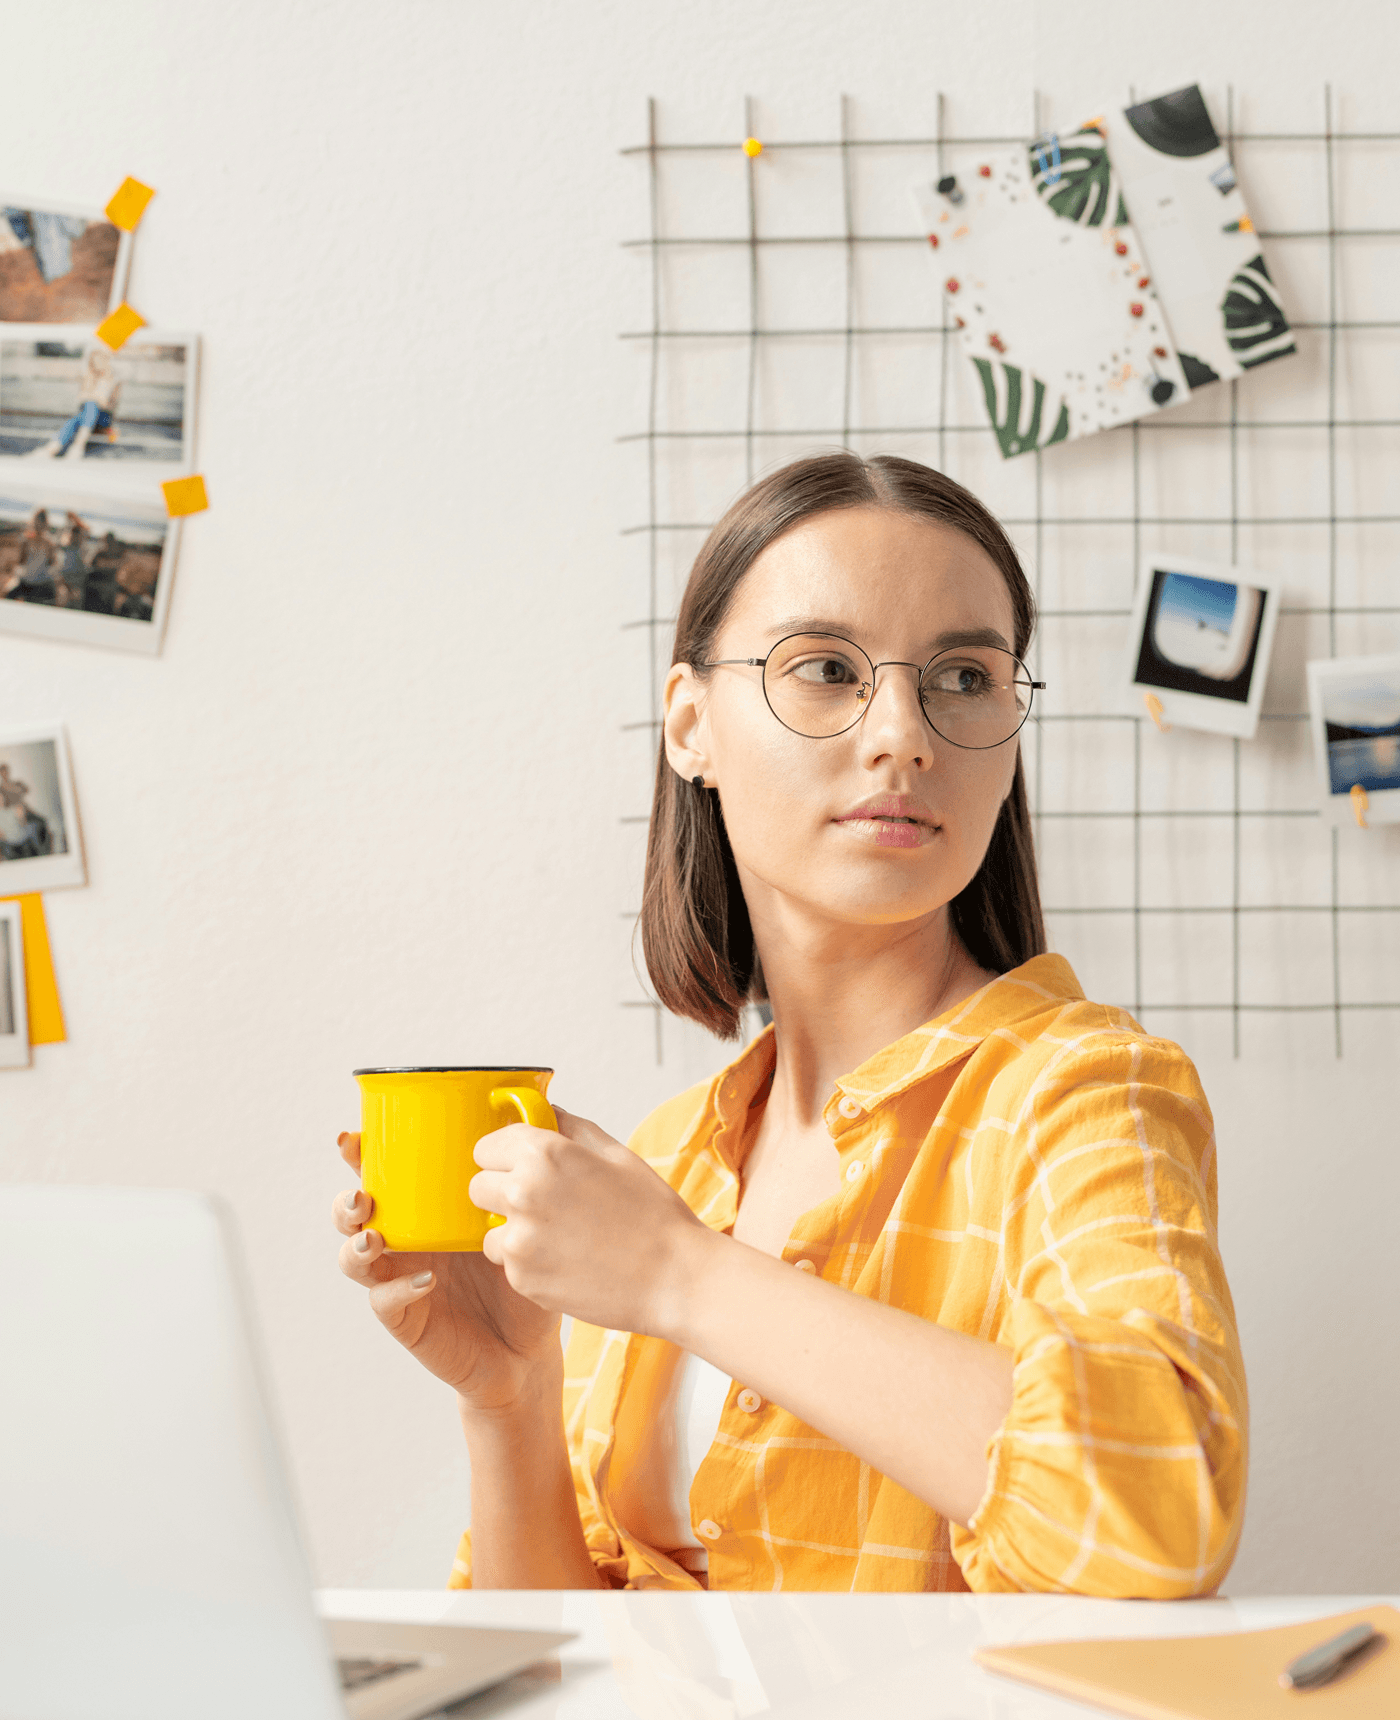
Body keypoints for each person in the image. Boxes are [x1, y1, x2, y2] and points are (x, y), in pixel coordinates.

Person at [331, 453, 1248, 1596]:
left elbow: (1161, 1513)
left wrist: (681, 1276)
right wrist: (508, 1399)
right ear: (688, 726)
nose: (904, 733)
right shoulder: (666, 1158)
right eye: (825, 667)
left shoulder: (1084, 1090)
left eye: (964, 676)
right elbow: (560, 1663)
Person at [29, 345, 122, 459]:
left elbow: (108, 405)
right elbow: (81, 399)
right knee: (78, 417)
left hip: (104, 418)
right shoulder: (89, 378)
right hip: (88, 416)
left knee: (89, 408)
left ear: (104, 359)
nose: (96, 362)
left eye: (98, 358)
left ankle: (54, 449)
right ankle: (71, 448)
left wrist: (92, 397)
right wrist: (94, 396)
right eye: (93, 358)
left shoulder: (114, 379)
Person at [1, 509, 56, 604]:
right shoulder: (29, 539)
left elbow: (21, 561)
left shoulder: (47, 542)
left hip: (37, 582)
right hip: (28, 580)